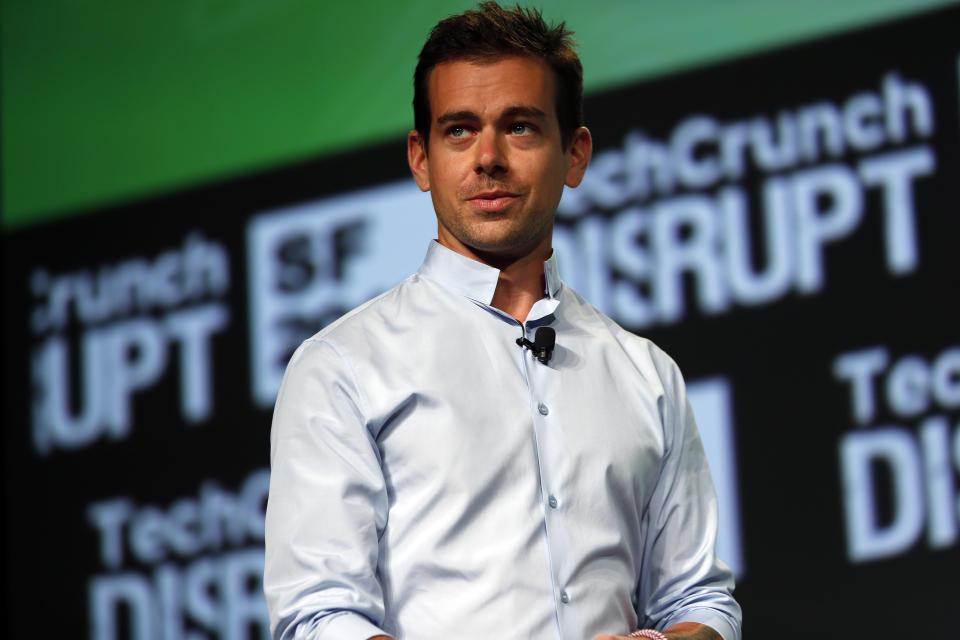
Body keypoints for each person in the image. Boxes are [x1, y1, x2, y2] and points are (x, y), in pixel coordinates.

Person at [263, 3, 742, 640]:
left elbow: (700, 600)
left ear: (575, 155)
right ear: (421, 159)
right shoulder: (342, 366)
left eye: (519, 127)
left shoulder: (646, 374)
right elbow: (319, 616)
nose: (487, 157)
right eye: (459, 130)